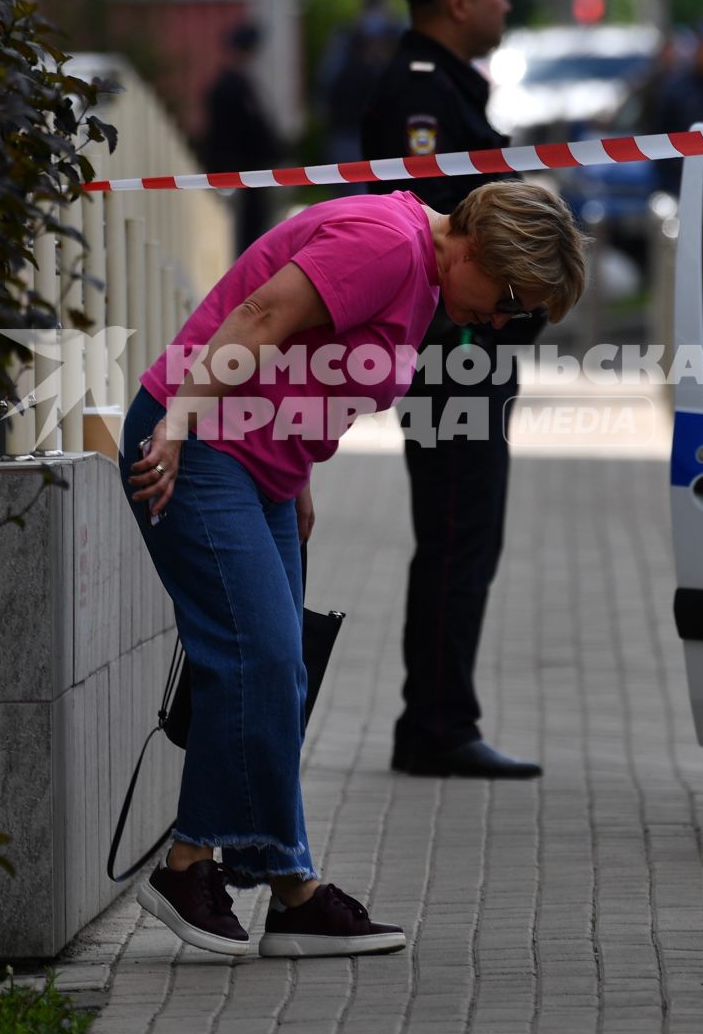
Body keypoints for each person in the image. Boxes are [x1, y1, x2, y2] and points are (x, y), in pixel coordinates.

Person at [123, 181, 588, 957]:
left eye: (525, 316)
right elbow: (259, 318)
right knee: (257, 658)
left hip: (257, 466)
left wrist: (298, 477)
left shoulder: (420, 273)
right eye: (512, 299)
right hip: (199, 448)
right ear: (479, 245)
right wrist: (174, 424)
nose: (505, 321)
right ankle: (189, 864)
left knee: (282, 670)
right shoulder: (388, 244)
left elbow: (304, 359)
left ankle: (289, 889)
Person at [361, 0, 551, 780]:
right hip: (452, 352)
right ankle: (434, 725)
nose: (506, 3)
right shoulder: (418, 97)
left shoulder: (446, 89)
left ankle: (441, 715)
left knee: (466, 534)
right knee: (453, 533)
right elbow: (442, 233)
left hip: (466, 347)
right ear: (457, 1)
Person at [200, 19, 284, 258]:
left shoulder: (231, 83)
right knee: (245, 230)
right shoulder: (233, 85)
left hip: (242, 167)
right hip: (242, 168)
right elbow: (249, 127)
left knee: (249, 228)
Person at [315, 0, 403, 166]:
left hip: (354, 124)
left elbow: (328, 76)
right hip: (366, 123)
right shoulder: (395, 33)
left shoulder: (347, 33)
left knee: (351, 182)